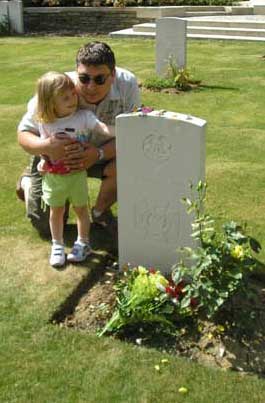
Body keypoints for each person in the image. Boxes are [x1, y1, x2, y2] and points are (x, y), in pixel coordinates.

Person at [17, 41, 141, 237]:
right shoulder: (57, 88)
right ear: (76, 73)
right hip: (55, 157)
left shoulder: (128, 85)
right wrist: (48, 146)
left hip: (103, 151)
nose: (91, 87)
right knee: (43, 224)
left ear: (113, 74)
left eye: (100, 79)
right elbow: (23, 134)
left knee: (133, 160)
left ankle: (100, 211)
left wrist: (98, 154)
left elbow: (132, 133)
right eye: (83, 78)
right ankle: (27, 180)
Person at [34, 71, 114, 267]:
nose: (72, 99)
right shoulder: (45, 123)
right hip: (54, 178)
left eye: (72, 94)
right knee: (56, 211)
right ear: (50, 102)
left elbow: (104, 129)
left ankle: (83, 242)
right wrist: (42, 161)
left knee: (81, 210)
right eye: (65, 98)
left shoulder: (84, 117)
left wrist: (127, 127)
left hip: (77, 175)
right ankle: (58, 245)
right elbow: (44, 147)